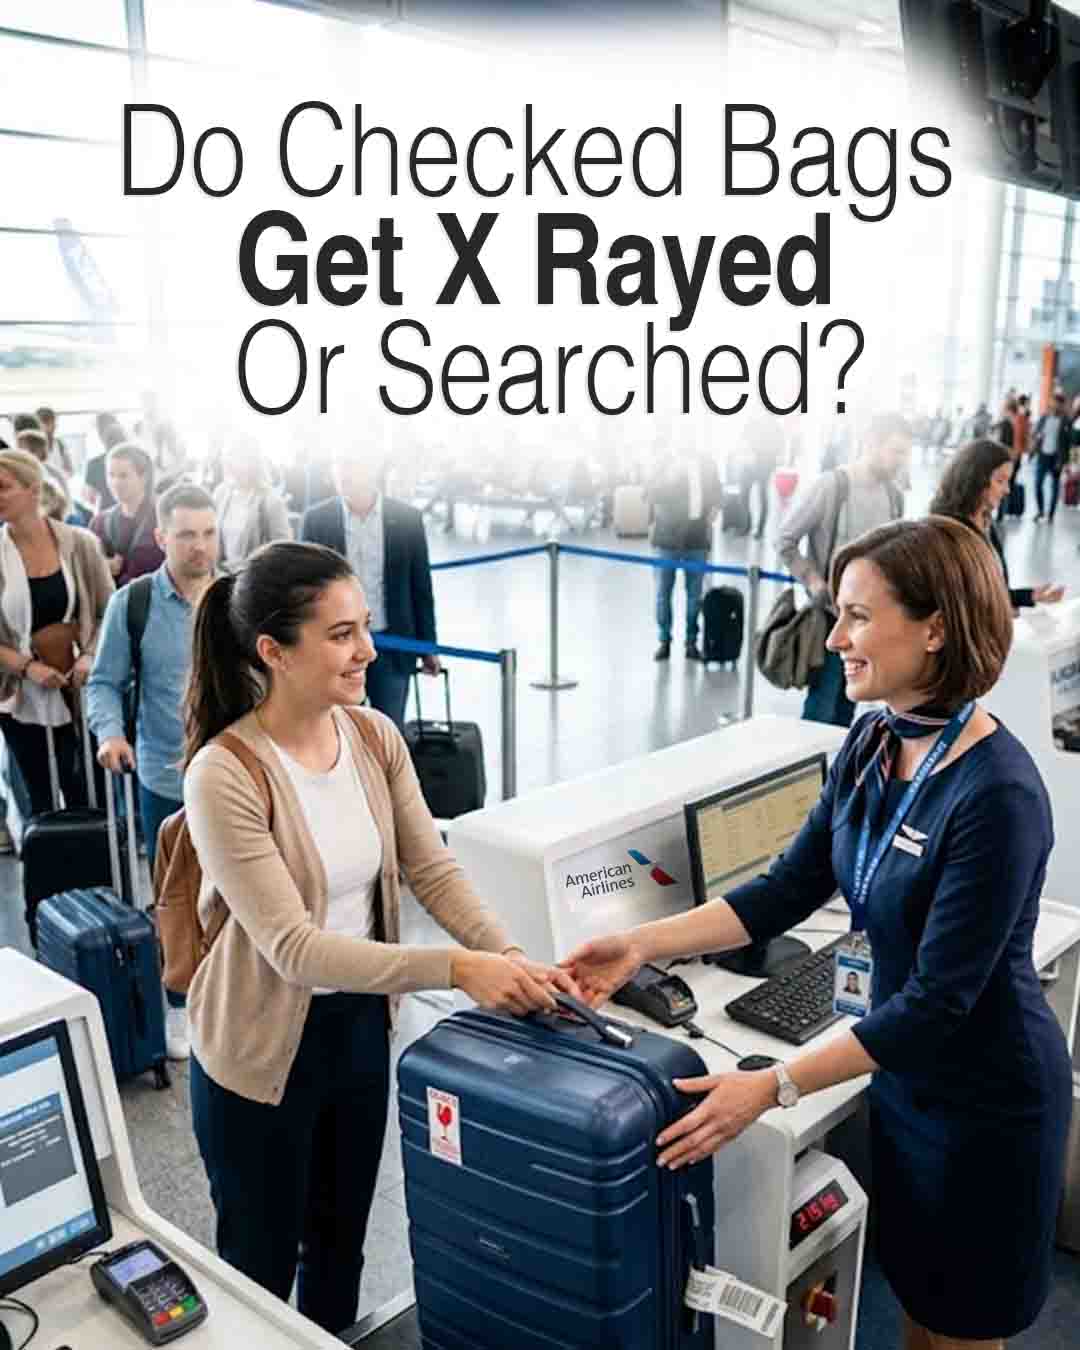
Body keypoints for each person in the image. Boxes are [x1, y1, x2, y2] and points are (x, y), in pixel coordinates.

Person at [563, 516, 1072, 1350]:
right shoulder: (872, 740)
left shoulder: (997, 796)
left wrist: (770, 1087)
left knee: (963, 1333)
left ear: (936, 628)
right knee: (919, 1312)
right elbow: (781, 891)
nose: (834, 637)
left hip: (987, 1107)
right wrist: (643, 944)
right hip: (903, 1087)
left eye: (859, 617)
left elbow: (938, 1004)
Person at [182, 540, 570, 1334]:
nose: (367, 650)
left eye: (364, 627)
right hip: (257, 1057)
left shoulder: (372, 738)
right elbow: (292, 946)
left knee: (340, 1247)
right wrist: (457, 969)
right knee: (257, 1262)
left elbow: (433, 869)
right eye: (340, 634)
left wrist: (508, 955)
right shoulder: (224, 774)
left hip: (358, 1028)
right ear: (272, 652)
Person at [87, 483, 220, 1062]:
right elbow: (104, 681)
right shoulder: (133, 603)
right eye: (187, 534)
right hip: (167, 779)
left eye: (209, 533)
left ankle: (234, 996)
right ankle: (178, 1004)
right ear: (162, 537)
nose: (200, 546)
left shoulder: (238, 597)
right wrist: (110, 733)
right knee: (177, 900)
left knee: (240, 895)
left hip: (240, 779)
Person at [777, 412, 910, 727]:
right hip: (829, 619)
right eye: (896, 452)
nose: (900, 462)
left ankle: (838, 772)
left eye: (904, 453)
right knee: (820, 706)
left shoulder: (894, 497)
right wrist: (812, 581)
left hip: (870, 623)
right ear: (872, 444)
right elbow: (785, 540)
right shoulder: (832, 486)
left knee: (848, 707)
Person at [0, 450, 113, 814]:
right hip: (17, 692)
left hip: (76, 687)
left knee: (85, 788)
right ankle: (50, 868)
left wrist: (90, 656)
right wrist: (27, 667)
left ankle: (95, 868)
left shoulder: (80, 544)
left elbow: (106, 610)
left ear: (33, 490)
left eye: (4, 487)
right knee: (38, 795)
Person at [300, 452, 439, 727]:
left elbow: (420, 585)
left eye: (352, 464)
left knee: (389, 731)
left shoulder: (407, 519)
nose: (344, 474)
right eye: (338, 465)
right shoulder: (317, 519)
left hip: (392, 642)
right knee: (339, 730)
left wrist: (428, 646)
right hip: (337, 646)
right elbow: (305, 588)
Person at [930, 438, 1064, 610]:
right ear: (976, 479)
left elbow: (991, 591)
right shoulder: (948, 533)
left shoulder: (985, 522)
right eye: (1000, 481)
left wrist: (1029, 596)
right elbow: (959, 603)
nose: (1007, 490)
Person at [646, 445, 721, 661]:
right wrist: (669, 477)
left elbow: (717, 490)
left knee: (695, 594)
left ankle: (691, 641)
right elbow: (650, 493)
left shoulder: (707, 462)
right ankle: (664, 641)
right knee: (663, 592)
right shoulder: (663, 461)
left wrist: (715, 507)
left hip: (696, 538)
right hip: (666, 539)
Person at [90, 444, 165, 587]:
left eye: (123, 476)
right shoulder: (99, 523)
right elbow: (86, 570)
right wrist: (102, 566)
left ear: (143, 477)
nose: (115, 483)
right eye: (111, 475)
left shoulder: (163, 519)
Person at [212, 433, 290, 568]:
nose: (228, 464)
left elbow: (282, 553)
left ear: (252, 462)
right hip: (222, 579)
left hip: (254, 581)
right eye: (226, 457)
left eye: (234, 457)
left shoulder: (271, 501)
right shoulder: (220, 494)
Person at [737, 415, 784, 540]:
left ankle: (760, 530)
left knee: (762, 496)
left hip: (765, 464)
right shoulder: (751, 420)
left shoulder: (774, 424)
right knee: (743, 495)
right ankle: (746, 525)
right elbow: (743, 437)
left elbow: (779, 444)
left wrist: (768, 454)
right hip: (748, 463)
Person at [1031, 390, 1072, 523]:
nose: (1055, 405)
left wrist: (1065, 462)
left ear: (1061, 405)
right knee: (1037, 484)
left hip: (1056, 458)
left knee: (1054, 487)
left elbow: (1068, 443)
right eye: (1053, 402)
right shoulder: (1044, 418)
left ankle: (1051, 515)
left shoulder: (1066, 421)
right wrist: (1037, 437)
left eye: (1058, 403)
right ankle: (1040, 511)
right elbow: (1036, 432)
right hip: (1043, 455)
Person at [35, 407, 73, 477]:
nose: (54, 426)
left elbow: (70, 471)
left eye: (54, 422)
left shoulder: (60, 444)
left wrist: (61, 476)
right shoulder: (31, 446)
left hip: (59, 485)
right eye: (47, 423)